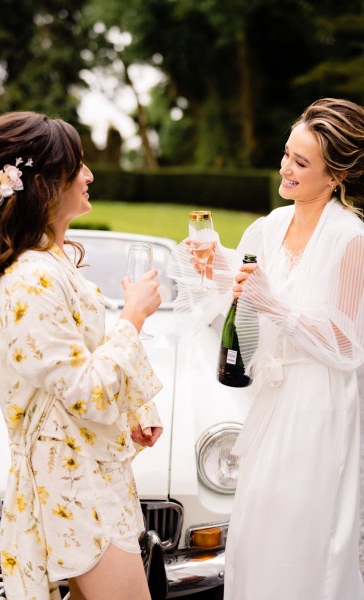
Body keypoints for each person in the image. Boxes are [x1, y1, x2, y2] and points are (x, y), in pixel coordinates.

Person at [0, 111, 163, 600]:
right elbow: (86, 391)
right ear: (45, 185)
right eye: (78, 167)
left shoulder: (50, 261)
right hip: (71, 488)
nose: (89, 176)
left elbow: (72, 371)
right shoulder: (32, 278)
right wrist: (132, 318)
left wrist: (134, 410)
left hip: (84, 473)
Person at [171, 97, 364, 599]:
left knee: (306, 537)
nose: (286, 168)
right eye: (286, 155)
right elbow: (240, 313)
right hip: (271, 403)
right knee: (255, 533)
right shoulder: (267, 227)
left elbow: (346, 346)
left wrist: (274, 304)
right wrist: (210, 269)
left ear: (335, 175)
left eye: (302, 163)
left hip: (321, 407)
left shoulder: (351, 239)